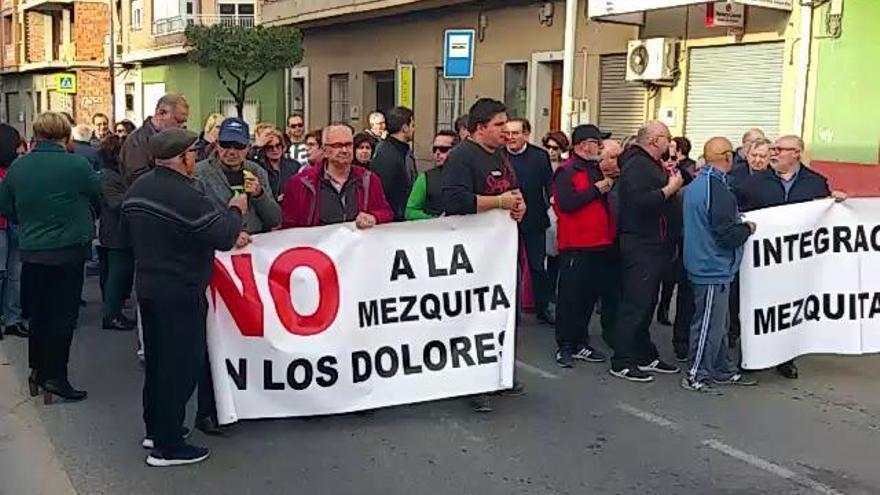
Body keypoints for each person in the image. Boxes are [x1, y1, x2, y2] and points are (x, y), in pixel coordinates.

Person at [124, 128, 245, 467]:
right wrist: (236, 210)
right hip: (181, 290)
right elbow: (222, 236)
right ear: (182, 158)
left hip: (148, 286)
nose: (196, 157)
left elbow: (125, 229)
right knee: (180, 366)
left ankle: (158, 429)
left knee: (159, 364)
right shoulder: (185, 195)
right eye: (193, 152)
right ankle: (168, 446)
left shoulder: (140, 187)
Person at [0, 112, 99, 402]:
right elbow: (96, 195)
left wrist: (26, 221)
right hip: (68, 249)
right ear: (64, 135)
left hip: (33, 249)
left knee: (39, 314)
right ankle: (56, 376)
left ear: (37, 134)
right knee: (63, 316)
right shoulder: (77, 164)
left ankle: (36, 370)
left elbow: (5, 205)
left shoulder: (19, 167)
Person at [735, 134, 845, 380]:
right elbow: (736, 209)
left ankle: (786, 358)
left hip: (796, 261)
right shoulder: (754, 183)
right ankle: (751, 354)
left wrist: (838, 203)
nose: (773, 153)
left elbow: (826, 215)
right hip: (760, 259)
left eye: (780, 149)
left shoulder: (816, 183)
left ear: (796, 153)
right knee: (756, 306)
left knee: (789, 308)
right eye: (772, 148)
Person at [442, 98, 526, 413]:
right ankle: (473, 382)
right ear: (480, 129)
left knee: (502, 313)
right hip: (473, 252)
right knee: (473, 316)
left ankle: (499, 373)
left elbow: (511, 190)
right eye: (499, 125)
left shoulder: (501, 155)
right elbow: (455, 200)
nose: (506, 131)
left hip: (501, 251)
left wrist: (518, 205)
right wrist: (498, 203)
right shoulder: (461, 157)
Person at [610, 121, 684, 383]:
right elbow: (639, 202)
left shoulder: (648, 164)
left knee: (647, 302)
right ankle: (622, 360)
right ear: (655, 140)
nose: (670, 144)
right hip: (641, 244)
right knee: (636, 303)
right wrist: (670, 189)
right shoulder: (637, 165)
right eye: (667, 138)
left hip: (656, 244)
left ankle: (643, 353)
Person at [681, 137, 757, 392]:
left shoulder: (698, 185)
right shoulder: (716, 188)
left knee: (718, 323)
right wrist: (746, 228)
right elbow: (725, 234)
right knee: (708, 324)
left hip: (704, 261)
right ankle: (697, 372)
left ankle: (722, 368)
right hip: (712, 266)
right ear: (727, 157)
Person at [552, 124, 619, 368]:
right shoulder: (567, 171)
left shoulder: (595, 169)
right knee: (570, 297)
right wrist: (596, 189)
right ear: (583, 145)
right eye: (596, 142)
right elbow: (567, 203)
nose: (600, 146)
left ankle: (581, 342)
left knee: (588, 298)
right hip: (575, 244)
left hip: (599, 243)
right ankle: (565, 345)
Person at [281, 124, 393, 228]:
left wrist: (374, 217)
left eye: (348, 144)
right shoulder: (300, 183)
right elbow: (288, 225)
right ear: (324, 150)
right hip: (318, 247)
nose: (344, 150)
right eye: (337, 145)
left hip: (358, 247)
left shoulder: (369, 179)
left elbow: (386, 212)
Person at [504, 118, 554, 325]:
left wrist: (553, 205)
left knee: (537, 266)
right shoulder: (500, 155)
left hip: (534, 220)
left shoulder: (539, 156)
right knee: (509, 267)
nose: (511, 138)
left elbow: (549, 185)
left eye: (516, 133)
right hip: (507, 220)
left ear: (526, 134)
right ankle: (511, 312)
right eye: (508, 133)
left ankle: (543, 308)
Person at [727, 137, 772, 350]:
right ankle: (733, 331)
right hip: (740, 240)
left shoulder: (776, 180)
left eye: (763, 156)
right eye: (754, 155)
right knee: (736, 292)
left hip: (767, 248)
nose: (757, 160)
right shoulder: (735, 176)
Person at [98, 134, 136, 331]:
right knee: (117, 275)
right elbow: (115, 203)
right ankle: (112, 315)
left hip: (118, 232)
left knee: (118, 274)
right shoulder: (108, 176)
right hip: (116, 233)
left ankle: (114, 312)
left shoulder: (114, 174)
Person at [120, 93, 190, 187]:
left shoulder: (170, 139)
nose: (182, 127)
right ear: (161, 113)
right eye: (178, 121)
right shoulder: (137, 141)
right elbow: (139, 181)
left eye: (184, 122)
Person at [0, 123, 26, 340]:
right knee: (1, 273)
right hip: (1, 225)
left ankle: (12, 319)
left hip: (14, 223)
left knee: (14, 274)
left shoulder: (16, 167)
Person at [371, 106, 417, 221]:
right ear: (405, 128)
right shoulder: (387, 154)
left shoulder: (400, 150)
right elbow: (384, 190)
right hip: (393, 220)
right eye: (412, 125)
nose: (414, 129)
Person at [405, 130, 457, 220]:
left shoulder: (467, 175)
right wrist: (433, 219)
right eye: (434, 149)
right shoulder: (425, 178)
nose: (437, 153)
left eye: (443, 149)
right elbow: (410, 211)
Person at [255, 128, 301, 201]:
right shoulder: (258, 167)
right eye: (270, 147)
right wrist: (257, 146)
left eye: (278, 145)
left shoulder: (294, 166)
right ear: (264, 149)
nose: (275, 150)